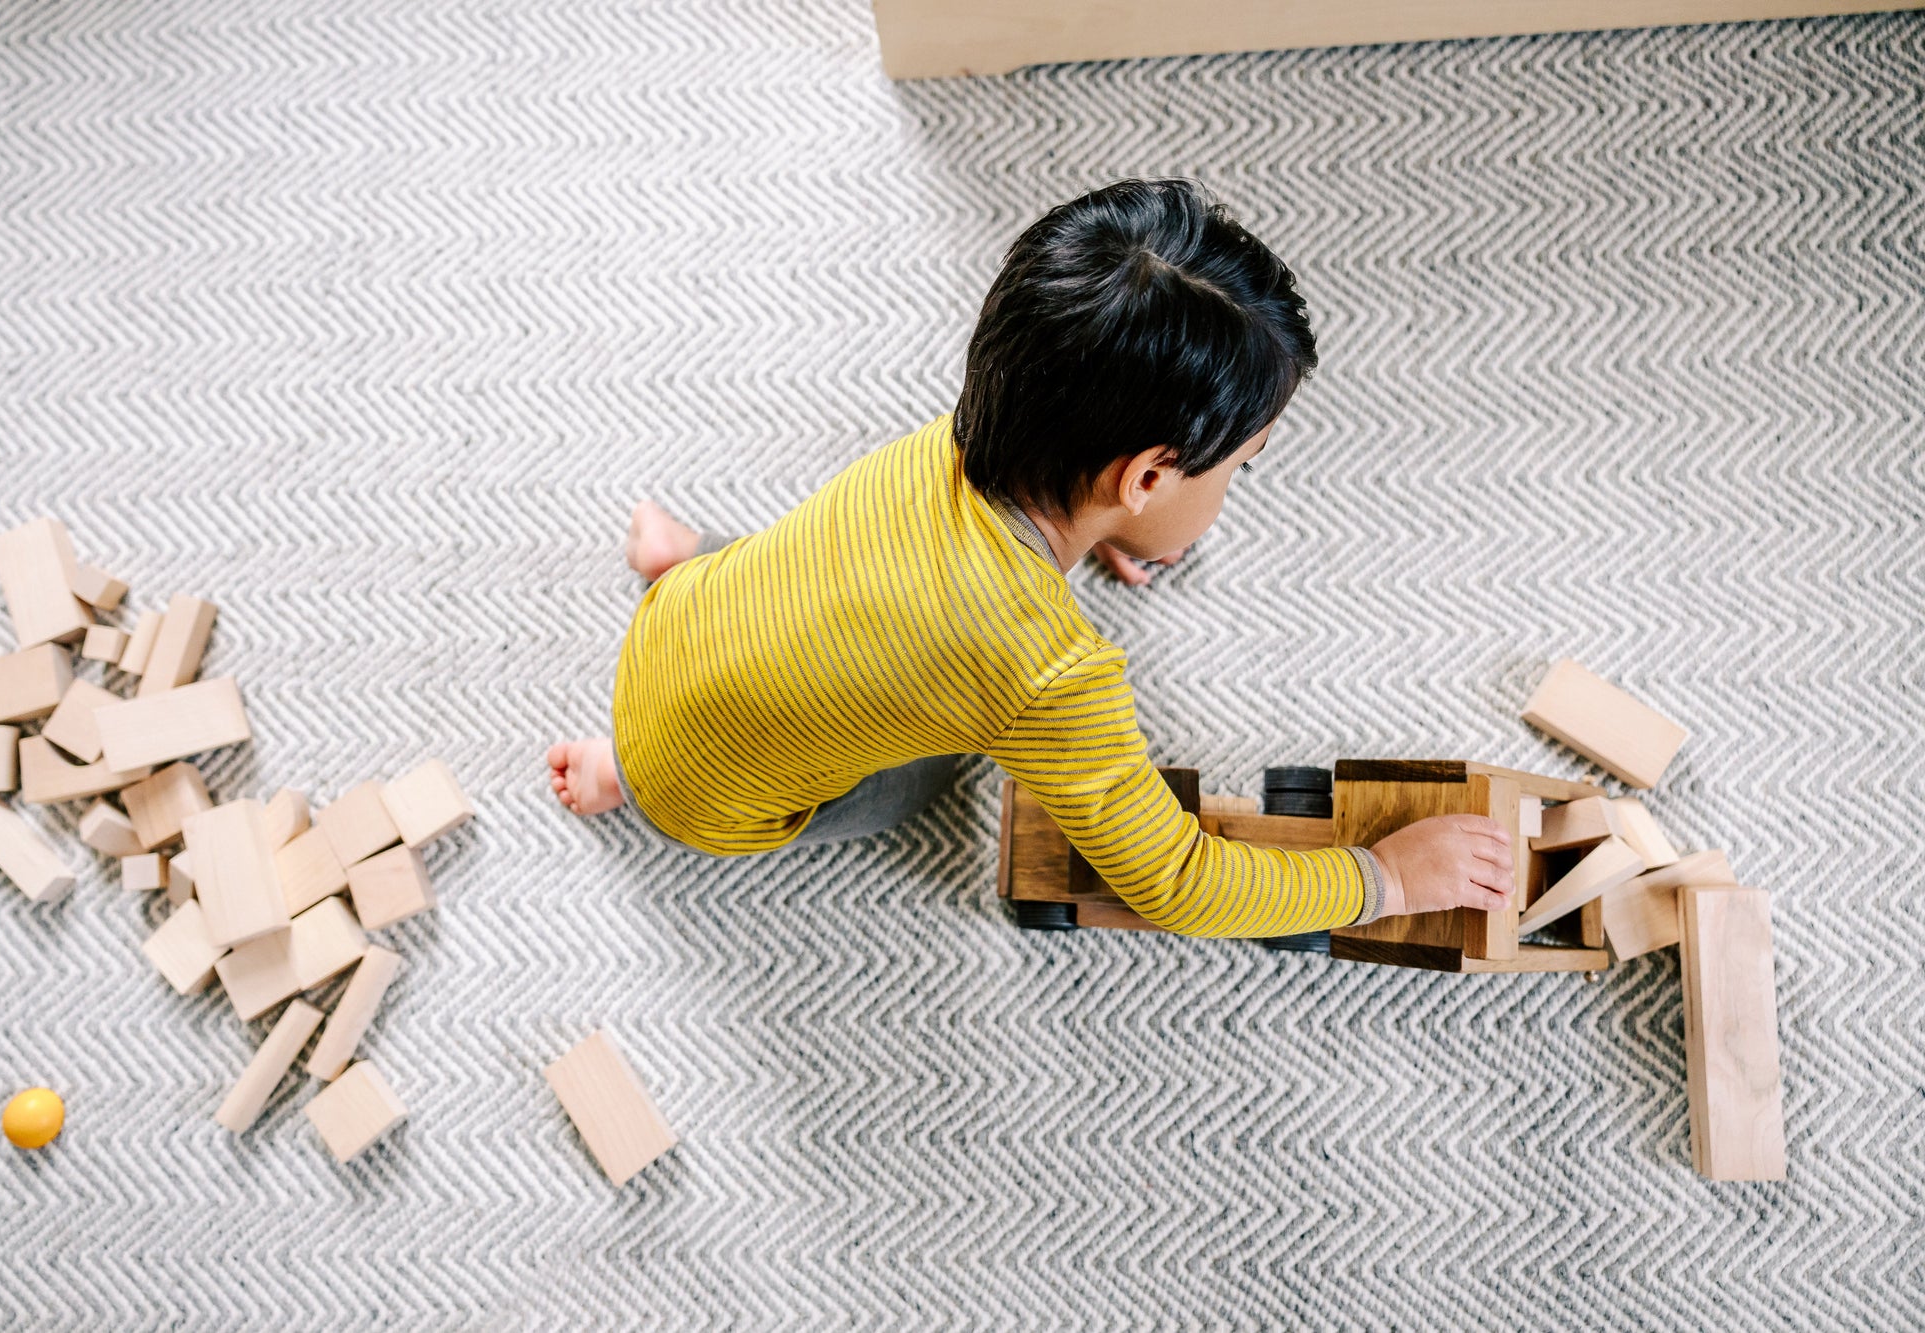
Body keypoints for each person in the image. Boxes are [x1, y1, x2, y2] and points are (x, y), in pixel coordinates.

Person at [545, 178, 1511, 935]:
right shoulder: (1049, 679)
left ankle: (680, 555)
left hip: (690, 617)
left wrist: (1102, 535)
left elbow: (942, 558)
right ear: (1143, 480)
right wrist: (1384, 878)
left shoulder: (952, 437)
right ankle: (622, 773)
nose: (1232, 486)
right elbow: (1176, 879)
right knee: (922, 776)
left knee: (812, 576)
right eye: (1238, 470)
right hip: (704, 788)